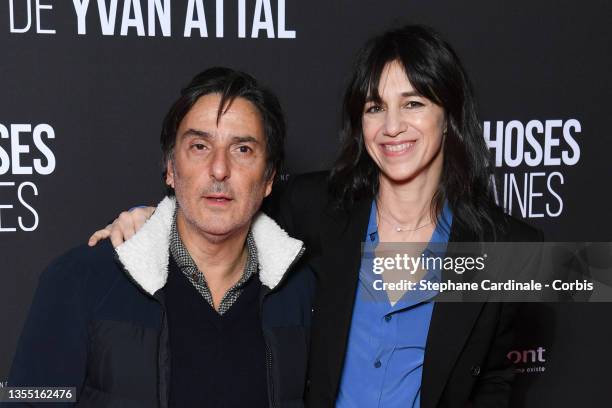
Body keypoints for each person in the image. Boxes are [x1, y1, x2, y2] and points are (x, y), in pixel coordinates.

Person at [89, 25, 542, 407]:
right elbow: (218, 206)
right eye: (374, 107)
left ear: (449, 115)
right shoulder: (314, 208)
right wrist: (150, 218)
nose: (392, 126)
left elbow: (498, 374)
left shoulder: (509, 249)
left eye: (413, 103)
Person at [7, 67, 315, 407]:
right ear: (170, 168)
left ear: (269, 178)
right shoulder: (78, 280)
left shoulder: (300, 293)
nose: (219, 169)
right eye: (199, 146)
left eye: (242, 150)